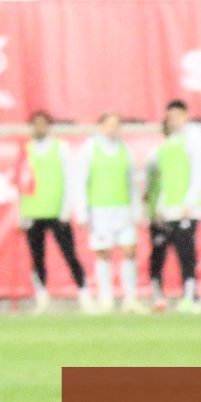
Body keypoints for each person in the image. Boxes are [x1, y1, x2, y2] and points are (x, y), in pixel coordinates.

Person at [15, 109, 91, 312]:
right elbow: (21, 182)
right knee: (37, 258)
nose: (38, 128)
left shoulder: (60, 148)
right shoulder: (26, 149)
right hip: (33, 210)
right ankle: (41, 298)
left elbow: (69, 178)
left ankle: (84, 294)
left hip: (56, 211)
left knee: (70, 255)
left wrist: (67, 208)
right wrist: (21, 214)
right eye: (35, 124)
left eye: (42, 124)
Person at [71, 111, 141, 313]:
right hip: (100, 211)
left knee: (129, 250)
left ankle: (130, 297)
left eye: (117, 125)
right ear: (100, 127)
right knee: (103, 253)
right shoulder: (90, 149)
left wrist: (137, 210)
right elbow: (80, 181)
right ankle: (106, 298)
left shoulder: (125, 150)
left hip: (123, 209)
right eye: (109, 125)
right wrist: (82, 211)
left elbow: (132, 183)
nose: (113, 129)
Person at [142, 99, 201, 313]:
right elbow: (162, 179)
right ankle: (164, 296)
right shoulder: (167, 145)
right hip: (169, 208)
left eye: (177, 116)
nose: (174, 121)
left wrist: (191, 201)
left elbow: (199, 170)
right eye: (170, 117)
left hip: (186, 207)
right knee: (162, 252)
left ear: (187, 115)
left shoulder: (194, 137)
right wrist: (157, 207)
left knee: (186, 252)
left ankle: (191, 297)